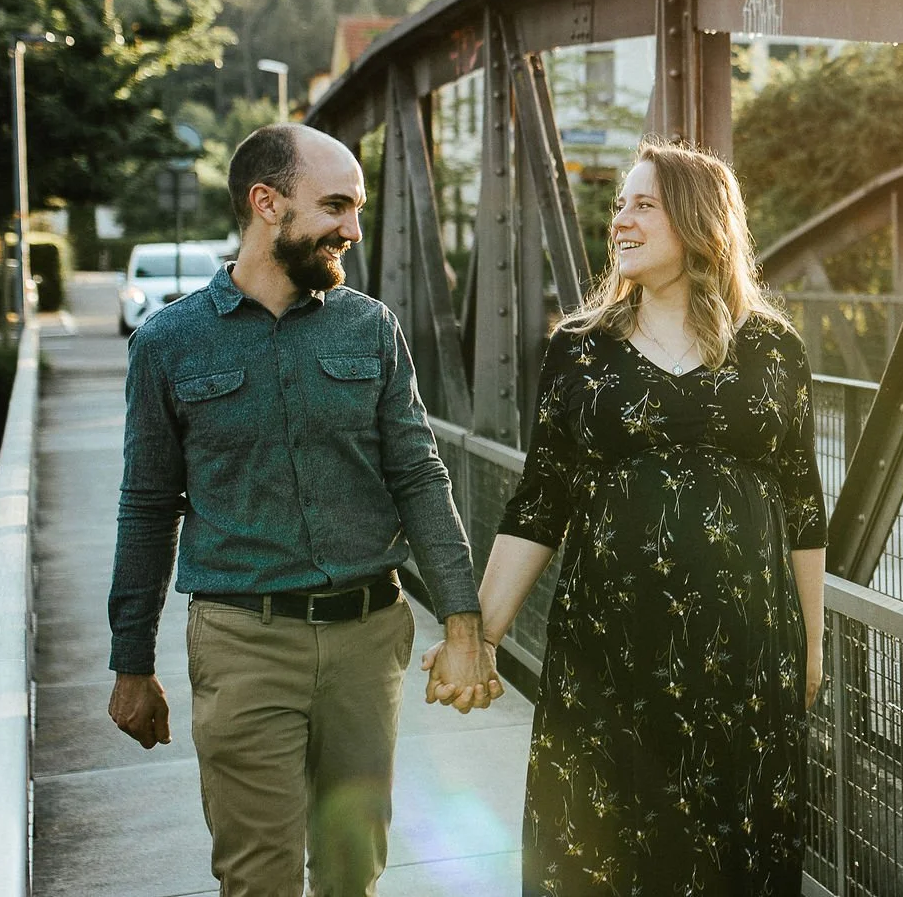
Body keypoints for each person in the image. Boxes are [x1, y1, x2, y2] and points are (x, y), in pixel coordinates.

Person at [422, 139, 826, 896]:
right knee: (603, 854)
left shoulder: (774, 349)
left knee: (732, 855)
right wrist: (477, 637)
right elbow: (540, 500)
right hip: (607, 659)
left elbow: (804, 506)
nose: (621, 221)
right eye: (618, 206)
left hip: (743, 657)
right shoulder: (581, 350)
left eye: (643, 204)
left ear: (697, 220)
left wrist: (811, 645)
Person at [107, 123, 500, 897]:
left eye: (357, 209)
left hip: (367, 640)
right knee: (260, 877)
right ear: (267, 203)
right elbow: (147, 508)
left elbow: (420, 477)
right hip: (243, 642)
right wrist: (131, 662)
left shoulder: (371, 327)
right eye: (337, 207)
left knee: (353, 871)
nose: (354, 230)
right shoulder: (168, 344)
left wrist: (463, 625)